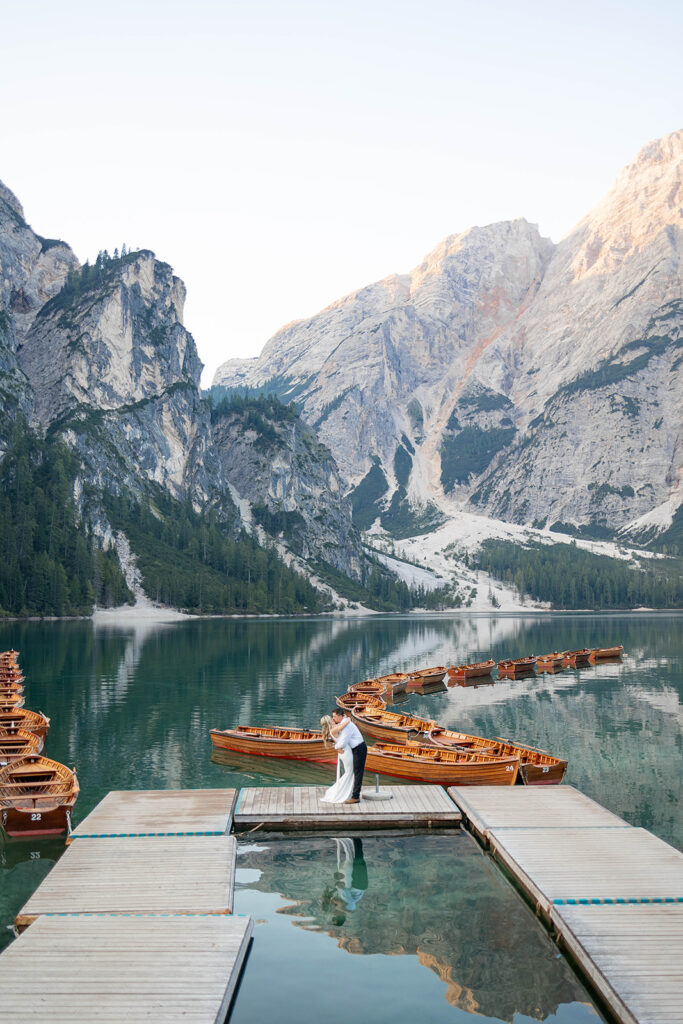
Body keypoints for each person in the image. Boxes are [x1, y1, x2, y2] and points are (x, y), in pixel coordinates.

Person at [330, 708, 367, 803]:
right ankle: (352, 793)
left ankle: (355, 797)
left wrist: (335, 747)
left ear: (339, 716)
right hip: (355, 749)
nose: (333, 718)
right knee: (354, 771)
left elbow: (343, 742)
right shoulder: (343, 724)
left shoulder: (346, 726)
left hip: (359, 748)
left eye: (334, 716)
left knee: (358, 772)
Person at [320, 715, 354, 803]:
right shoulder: (334, 730)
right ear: (329, 721)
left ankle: (346, 792)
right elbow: (346, 723)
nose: (333, 718)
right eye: (331, 718)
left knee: (349, 772)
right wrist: (348, 718)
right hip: (346, 752)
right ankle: (341, 792)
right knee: (349, 773)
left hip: (344, 751)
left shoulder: (334, 729)